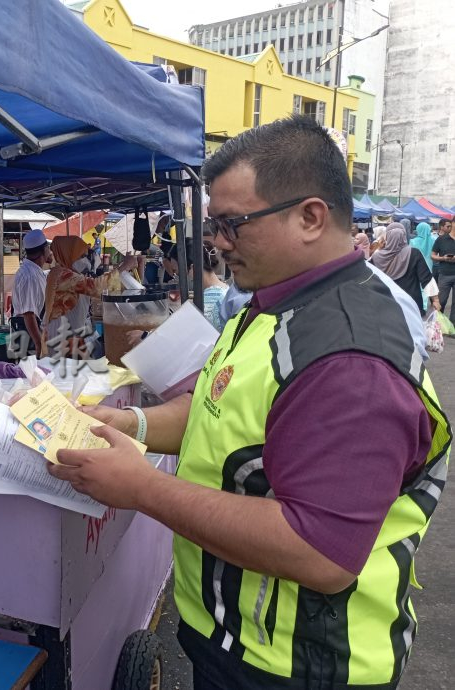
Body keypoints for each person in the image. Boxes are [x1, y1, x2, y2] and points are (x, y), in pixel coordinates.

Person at [48, 116, 449, 690]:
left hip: (300, 664)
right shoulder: (274, 306)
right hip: (234, 638)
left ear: (311, 217)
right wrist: (132, 422)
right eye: (214, 225)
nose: (217, 242)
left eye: (233, 224)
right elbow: (220, 411)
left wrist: (142, 488)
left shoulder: (349, 355)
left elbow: (320, 552)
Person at [43, 236, 137, 351]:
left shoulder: (65, 272)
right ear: (68, 254)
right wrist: (124, 266)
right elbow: (96, 287)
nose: (85, 260)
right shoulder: (63, 275)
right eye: (81, 256)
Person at [371, 224, 441, 316]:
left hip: (386, 302)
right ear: (404, 236)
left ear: (387, 236)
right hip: (411, 303)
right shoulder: (414, 253)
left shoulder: (376, 256)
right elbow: (426, 278)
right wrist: (435, 300)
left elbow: (369, 278)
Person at [11, 229, 52, 357]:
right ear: (44, 250)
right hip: (27, 331)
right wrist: (39, 343)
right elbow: (29, 314)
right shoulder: (30, 276)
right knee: (30, 367)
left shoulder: (33, 270)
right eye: (48, 248)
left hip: (29, 329)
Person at [431, 218, 455, 318]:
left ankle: (453, 325)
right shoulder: (441, 239)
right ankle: (438, 323)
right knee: (441, 301)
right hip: (445, 274)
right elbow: (432, 255)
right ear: (453, 223)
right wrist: (443, 258)